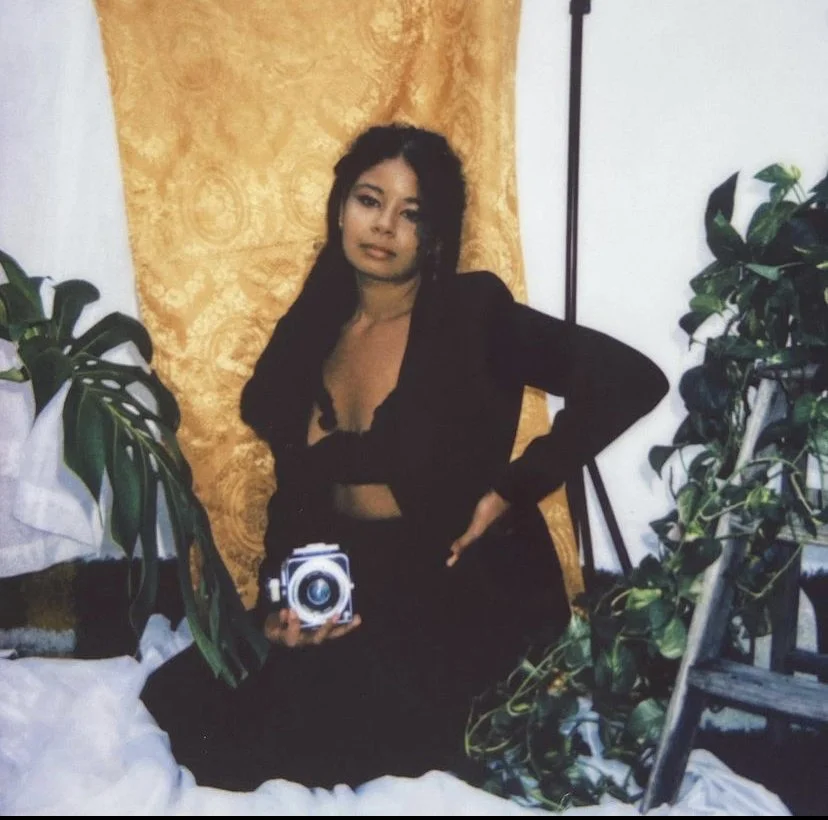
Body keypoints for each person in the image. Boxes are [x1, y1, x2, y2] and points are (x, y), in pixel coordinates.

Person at [140, 123, 668, 792]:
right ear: (340, 208)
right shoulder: (312, 329)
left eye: (411, 213)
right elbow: (295, 493)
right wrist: (283, 606)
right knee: (183, 699)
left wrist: (513, 488)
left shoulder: (473, 314)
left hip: (456, 587)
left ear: (435, 232)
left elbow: (630, 379)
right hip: (351, 579)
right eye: (370, 200)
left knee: (306, 737)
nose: (385, 225)